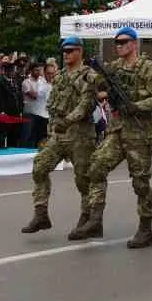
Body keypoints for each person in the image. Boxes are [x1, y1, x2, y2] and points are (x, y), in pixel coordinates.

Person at [82, 27, 152, 248]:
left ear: (134, 44)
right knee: (97, 166)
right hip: (117, 129)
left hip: (139, 132)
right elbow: (95, 84)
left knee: (140, 181)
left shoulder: (147, 67)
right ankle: (95, 219)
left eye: (124, 42)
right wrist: (98, 85)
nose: (119, 45)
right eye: (117, 42)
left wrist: (136, 105)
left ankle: (145, 229)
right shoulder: (113, 68)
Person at [21, 37, 98, 235]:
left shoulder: (88, 75)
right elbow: (54, 104)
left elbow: (86, 104)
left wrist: (68, 120)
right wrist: (53, 128)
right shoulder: (61, 76)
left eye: (71, 50)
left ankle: (87, 217)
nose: (66, 54)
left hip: (80, 134)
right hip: (59, 133)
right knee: (40, 167)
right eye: (64, 50)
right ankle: (41, 214)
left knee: (83, 179)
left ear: (80, 51)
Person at [21, 61, 51, 147]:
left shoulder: (42, 80)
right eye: (36, 70)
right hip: (29, 112)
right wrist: (43, 89)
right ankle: (24, 150)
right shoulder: (26, 82)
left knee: (39, 134)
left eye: (39, 70)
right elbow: (34, 96)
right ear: (31, 71)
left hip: (41, 112)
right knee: (28, 134)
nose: (38, 72)